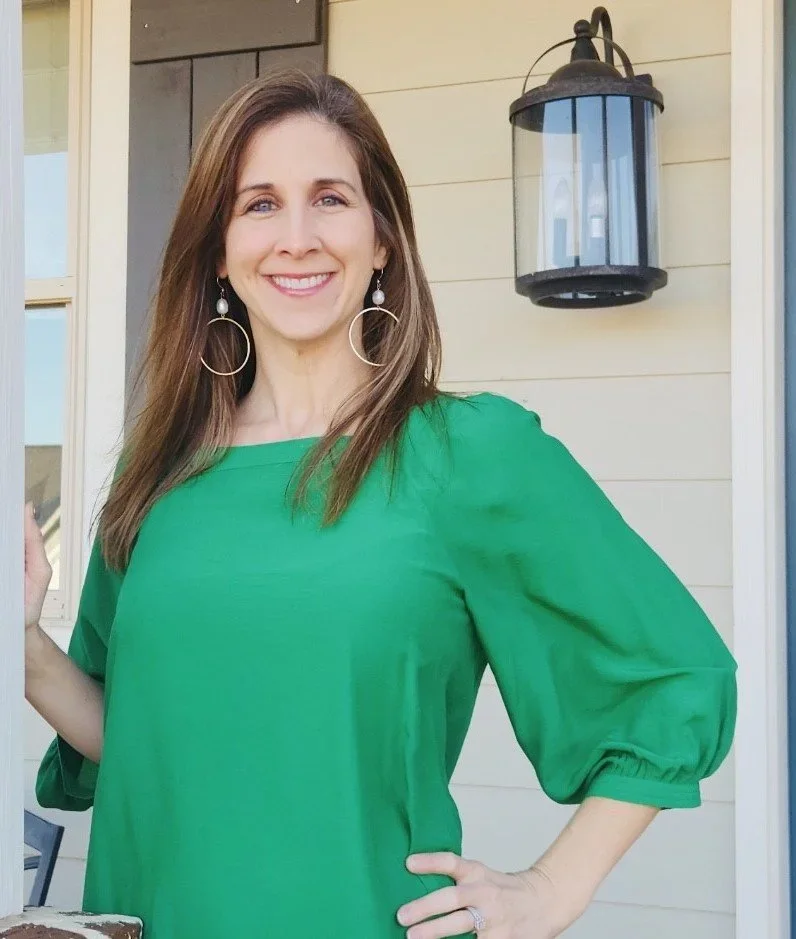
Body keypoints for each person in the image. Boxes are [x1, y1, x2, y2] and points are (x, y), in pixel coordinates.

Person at [23, 69, 737, 939]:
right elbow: (139, 738)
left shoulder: (469, 455)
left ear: (382, 238)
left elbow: (670, 679)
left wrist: (553, 887)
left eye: (330, 198)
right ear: (218, 250)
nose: (297, 237)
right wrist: (19, 642)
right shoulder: (158, 472)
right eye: (259, 204)